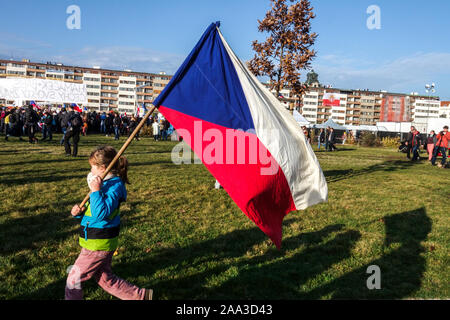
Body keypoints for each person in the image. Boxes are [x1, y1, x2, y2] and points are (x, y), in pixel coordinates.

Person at [66, 146, 152, 300]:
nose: (91, 172)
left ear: (103, 168)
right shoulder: (104, 184)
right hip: (97, 240)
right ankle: (140, 296)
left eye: (93, 168)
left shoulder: (115, 186)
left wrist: (96, 191)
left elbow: (101, 214)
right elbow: (94, 213)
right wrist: (79, 214)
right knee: (106, 279)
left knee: (74, 279)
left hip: (98, 243)